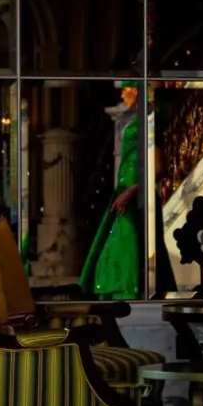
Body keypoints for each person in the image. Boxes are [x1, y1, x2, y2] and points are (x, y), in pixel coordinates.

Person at [79, 81, 142, 300]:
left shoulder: (147, 121)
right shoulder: (136, 119)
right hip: (126, 187)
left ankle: (127, 289)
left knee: (127, 240)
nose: (123, 93)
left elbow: (155, 166)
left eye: (127, 88)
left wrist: (131, 192)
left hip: (132, 193)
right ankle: (116, 289)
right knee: (118, 240)